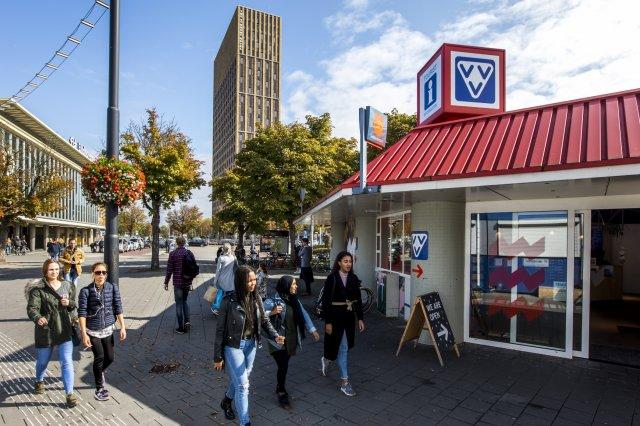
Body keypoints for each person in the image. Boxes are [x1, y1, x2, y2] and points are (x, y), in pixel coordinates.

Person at [214, 265, 284, 425]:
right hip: (234, 346)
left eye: (254, 280)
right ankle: (245, 422)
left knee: (240, 379)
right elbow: (219, 331)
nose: (253, 283)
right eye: (249, 281)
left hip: (252, 344)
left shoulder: (256, 297)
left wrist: (275, 335)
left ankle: (226, 401)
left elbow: (265, 321)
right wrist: (217, 356)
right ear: (240, 282)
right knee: (243, 385)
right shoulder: (228, 301)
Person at [25, 259, 78, 407]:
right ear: (45, 271)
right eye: (51, 270)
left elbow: (74, 305)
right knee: (43, 361)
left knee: (66, 361)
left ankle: (69, 394)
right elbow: (32, 308)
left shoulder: (68, 285)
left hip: (64, 328)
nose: (54, 272)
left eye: (56, 269)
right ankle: (39, 380)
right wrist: (38, 318)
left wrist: (70, 304)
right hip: (46, 329)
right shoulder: (38, 289)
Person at [264, 276, 319, 409]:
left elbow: (304, 314)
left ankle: (279, 386)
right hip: (277, 340)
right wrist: (271, 312)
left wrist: (312, 330)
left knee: (284, 364)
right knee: (282, 365)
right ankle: (282, 391)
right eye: (293, 284)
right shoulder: (273, 301)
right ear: (286, 285)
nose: (296, 286)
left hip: (291, 338)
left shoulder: (294, 300)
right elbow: (259, 315)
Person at [78, 262, 126, 401]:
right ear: (92, 273)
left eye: (104, 272)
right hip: (92, 330)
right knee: (99, 357)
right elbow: (82, 313)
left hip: (108, 329)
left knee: (110, 358)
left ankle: (99, 372)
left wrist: (122, 326)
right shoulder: (85, 291)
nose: (101, 275)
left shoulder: (112, 288)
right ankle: (99, 388)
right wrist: (83, 333)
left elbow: (118, 307)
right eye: (98, 272)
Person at [320, 251, 365, 397]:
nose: (348, 264)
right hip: (334, 317)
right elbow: (326, 301)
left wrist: (360, 318)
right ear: (339, 262)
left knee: (344, 347)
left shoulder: (353, 278)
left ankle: (345, 382)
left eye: (350, 261)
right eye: (345, 261)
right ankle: (326, 359)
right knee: (334, 347)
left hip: (348, 318)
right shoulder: (331, 278)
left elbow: (357, 299)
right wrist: (328, 322)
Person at [164, 236, 197, 333]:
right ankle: (187, 321)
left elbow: (169, 270)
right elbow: (193, 268)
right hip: (187, 282)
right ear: (184, 242)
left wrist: (166, 282)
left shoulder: (173, 254)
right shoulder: (189, 253)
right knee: (185, 301)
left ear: (177, 243)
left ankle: (181, 328)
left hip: (178, 283)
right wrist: (191, 279)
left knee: (178, 304)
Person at [212, 243, 238, 315]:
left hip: (222, 279)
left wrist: (215, 281)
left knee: (220, 293)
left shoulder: (221, 258)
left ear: (223, 249)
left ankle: (216, 308)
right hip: (230, 279)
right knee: (229, 294)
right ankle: (228, 308)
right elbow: (236, 268)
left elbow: (218, 271)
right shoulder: (234, 258)